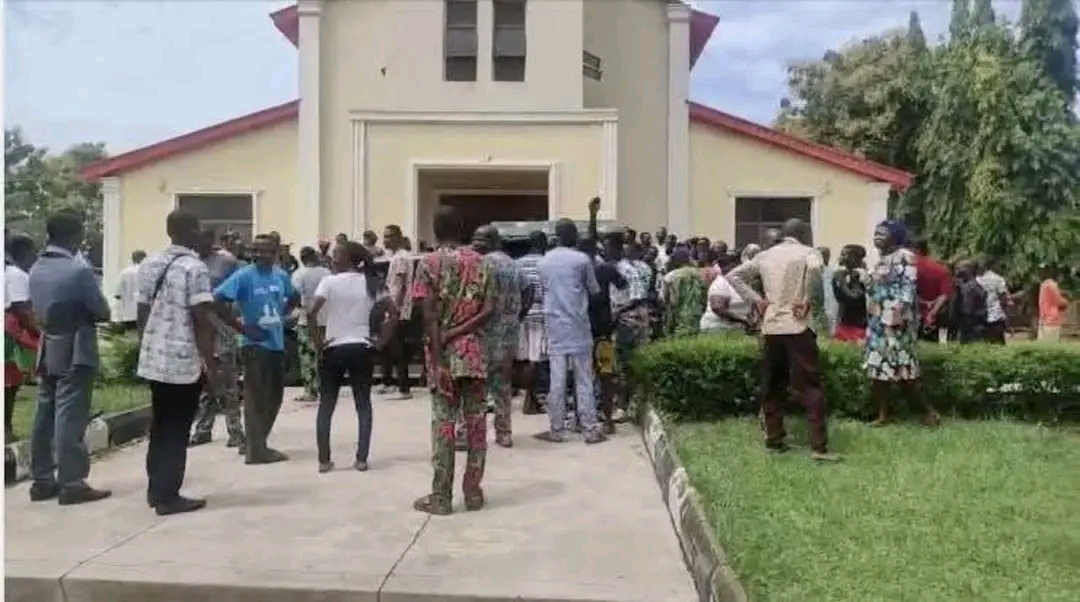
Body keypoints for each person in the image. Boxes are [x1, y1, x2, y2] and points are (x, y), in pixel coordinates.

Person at [726, 218, 838, 462]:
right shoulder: (810, 253)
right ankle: (819, 447)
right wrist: (809, 300)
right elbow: (816, 277)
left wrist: (757, 300)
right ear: (803, 233)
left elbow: (734, 276)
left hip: (772, 326)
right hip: (798, 325)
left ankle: (774, 438)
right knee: (810, 385)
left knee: (773, 383)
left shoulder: (765, 256)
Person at [411, 206, 496, 515]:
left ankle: (441, 496)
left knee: (444, 426)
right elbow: (489, 310)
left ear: (435, 229)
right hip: (475, 355)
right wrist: (461, 331)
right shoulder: (483, 263)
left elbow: (429, 316)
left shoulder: (429, 263)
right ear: (462, 229)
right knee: (475, 424)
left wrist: (439, 357)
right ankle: (472, 492)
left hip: (444, 354)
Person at [27, 210, 113, 504]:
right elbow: (102, 311)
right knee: (69, 414)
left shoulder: (37, 267)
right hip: (75, 344)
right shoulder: (78, 270)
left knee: (45, 412)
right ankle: (72, 482)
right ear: (75, 236)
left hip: (47, 342)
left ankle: (41, 479)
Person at [136, 212, 219, 515]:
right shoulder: (194, 268)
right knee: (177, 428)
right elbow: (202, 320)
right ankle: (168, 496)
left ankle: (155, 489)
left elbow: (142, 312)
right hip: (182, 360)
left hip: (155, 357)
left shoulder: (149, 263)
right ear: (193, 231)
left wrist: (146, 346)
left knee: (160, 424)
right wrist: (209, 363)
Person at [214, 234, 299, 465]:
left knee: (275, 397)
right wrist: (241, 327)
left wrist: (283, 315)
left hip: (277, 343)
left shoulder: (280, 275)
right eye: (256, 250)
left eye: (266, 250)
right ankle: (255, 450)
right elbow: (217, 299)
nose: (260, 255)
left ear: (275, 253)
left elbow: (294, 296)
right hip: (254, 345)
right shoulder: (244, 276)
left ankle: (256, 443)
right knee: (255, 397)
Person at [308, 241, 387, 473]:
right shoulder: (372, 283)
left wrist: (317, 342)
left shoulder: (329, 282)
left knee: (326, 404)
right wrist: (381, 341)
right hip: (361, 346)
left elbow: (311, 312)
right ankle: (361, 459)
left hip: (334, 347)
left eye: (337, 254)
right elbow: (392, 313)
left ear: (348, 259)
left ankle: (324, 460)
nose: (333, 258)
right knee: (363, 404)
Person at [536, 211, 605, 445]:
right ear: (573, 236)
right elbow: (594, 290)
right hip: (578, 325)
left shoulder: (544, 262)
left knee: (557, 380)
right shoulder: (582, 260)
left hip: (554, 326)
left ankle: (556, 429)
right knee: (584, 379)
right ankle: (589, 429)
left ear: (557, 236)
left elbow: (544, 292)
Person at [864, 221, 939, 427]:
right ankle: (883, 415)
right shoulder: (881, 259)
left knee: (904, 369)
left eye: (882, 233)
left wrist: (897, 317)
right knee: (878, 370)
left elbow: (907, 288)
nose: (877, 236)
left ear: (895, 236)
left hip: (896, 324)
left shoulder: (905, 256)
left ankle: (930, 412)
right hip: (878, 323)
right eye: (876, 233)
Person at [473, 225, 531, 447]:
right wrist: (518, 315)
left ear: (491, 241)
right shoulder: (513, 263)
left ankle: (473, 433)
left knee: (478, 385)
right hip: (509, 333)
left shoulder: (482, 263)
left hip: (485, 332)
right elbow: (529, 291)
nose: (475, 244)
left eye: (479, 239)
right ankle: (504, 432)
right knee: (503, 385)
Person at [189, 231, 245, 448]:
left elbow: (238, 291)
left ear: (211, 241)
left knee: (227, 379)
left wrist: (236, 321)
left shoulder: (226, 261)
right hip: (197, 324)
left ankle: (235, 430)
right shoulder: (190, 262)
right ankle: (203, 429)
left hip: (221, 325)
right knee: (205, 380)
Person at [611, 241, 652, 424]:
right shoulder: (645, 268)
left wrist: (616, 313)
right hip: (642, 319)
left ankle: (623, 407)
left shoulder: (624, 268)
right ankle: (636, 403)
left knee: (623, 365)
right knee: (638, 361)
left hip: (627, 320)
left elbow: (635, 297)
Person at [5, 233, 39, 442]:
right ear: (24, 252)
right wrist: (40, 333)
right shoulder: (16, 275)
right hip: (8, 334)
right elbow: (21, 310)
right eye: (33, 252)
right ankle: (6, 429)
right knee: (9, 384)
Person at [381, 224, 418, 400]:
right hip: (402, 310)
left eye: (389, 236)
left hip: (400, 310)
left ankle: (403, 388)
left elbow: (399, 286)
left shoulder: (401, 258)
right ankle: (398, 385)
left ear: (397, 237)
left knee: (398, 350)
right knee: (397, 349)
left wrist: (392, 310)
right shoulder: (400, 256)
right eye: (384, 236)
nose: (385, 240)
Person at [292, 246, 332, 402]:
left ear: (302, 258)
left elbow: (295, 295)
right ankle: (327, 387)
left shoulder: (299, 274)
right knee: (325, 354)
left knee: (308, 356)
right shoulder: (327, 273)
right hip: (326, 319)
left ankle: (310, 390)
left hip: (306, 320)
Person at [515, 230, 548, 415]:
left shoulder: (518, 263)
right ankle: (530, 399)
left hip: (522, 315)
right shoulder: (546, 263)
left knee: (525, 358)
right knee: (535, 359)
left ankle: (529, 397)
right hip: (540, 315)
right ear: (542, 244)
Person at [909, 237, 952, 343]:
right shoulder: (941, 269)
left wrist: (919, 301)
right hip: (931, 319)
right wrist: (932, 312)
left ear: (915, 250)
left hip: (909, 315)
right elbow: (944, 295)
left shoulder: (907, 267)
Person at [662, 248, 709, 337]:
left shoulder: (670, 276)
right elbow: (705, 292)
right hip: (698, 310)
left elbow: (665, 297)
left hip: (678, 313)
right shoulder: (699, 273)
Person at [832, 245, 869, 342]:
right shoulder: (841, 275)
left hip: (858, 325)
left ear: (854, 258)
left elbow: (855, 298)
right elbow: (840, 297)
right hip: (844, 322)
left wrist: (854, 280)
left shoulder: (864, 276)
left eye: (844, 255)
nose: (840, 257)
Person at [950, 260, 987, 344]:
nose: (957, 270)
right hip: (964, 323)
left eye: (960, 268)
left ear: (969, 269)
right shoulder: (960, 284)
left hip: (972, 323)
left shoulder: (972, 286)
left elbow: (968, 308)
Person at [976, 257, 1009, 345]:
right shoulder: (998, 279)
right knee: (998, 344)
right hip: (996, 316)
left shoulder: (976, 280)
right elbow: (1003, 299)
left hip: (981, 317)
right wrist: (1006, 316)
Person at [114, 250, 146, 331]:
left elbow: (118, 294)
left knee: (129, 334)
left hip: (127, 313)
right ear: (143, 258)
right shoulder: (147, 272)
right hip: (142, 312)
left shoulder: (124, 272)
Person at [1037, 265, 1069, 342]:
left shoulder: (1043, 285)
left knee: (1043, 343)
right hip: (1052, 319)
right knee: (1052, 342)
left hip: (1043, 318)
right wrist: (1066, 301)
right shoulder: (1052, 285)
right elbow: (1058, 300)